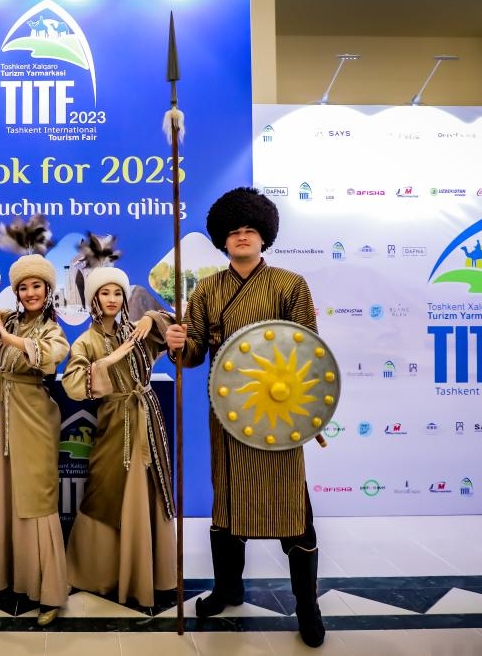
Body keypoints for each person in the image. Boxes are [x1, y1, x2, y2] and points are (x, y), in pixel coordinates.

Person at [164, 187, 326, 647]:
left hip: (278, 414)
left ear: (264, 235)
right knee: (228, 504)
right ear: (221, 238)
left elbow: (306, 351)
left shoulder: (290, 285)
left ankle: (307, 605)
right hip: (228, 414)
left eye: (249, 229)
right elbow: (195, 353)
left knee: (292, 509)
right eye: (233, 231)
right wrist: (179, 343)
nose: (241, 236)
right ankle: (228, 589)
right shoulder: (207, 289)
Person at [62, 264, 177, 609]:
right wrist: (108, 360)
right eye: (104, 293)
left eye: (117, 293)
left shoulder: (136, 330)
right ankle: (96, 573)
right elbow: (72, 383)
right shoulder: (86, 340)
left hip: (148, 419)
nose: (112, 300)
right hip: (114, 423)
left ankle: (151, 573)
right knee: (106, 489)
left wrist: (150, 319)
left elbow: (173, 329)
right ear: (93, 298)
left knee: (150, 488)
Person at [0, 252, 70, 626]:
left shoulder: (52, 329)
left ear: (47, 290)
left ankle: (52, 591)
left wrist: (5, 334)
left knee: (37, 498)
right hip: (7, 411)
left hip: (36, 414)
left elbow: (51, 357)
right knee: (8, 493)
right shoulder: (6, 317)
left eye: (36, 286)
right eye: (22, 287)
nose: (29, 293)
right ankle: (13, 577)